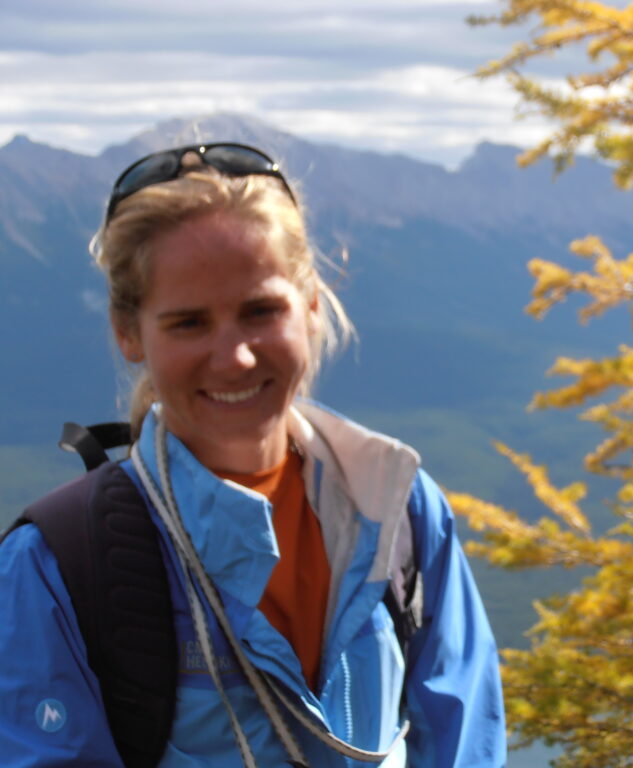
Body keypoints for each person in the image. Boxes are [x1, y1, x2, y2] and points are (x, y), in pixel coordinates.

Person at [0, 143, 507, 767]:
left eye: (260, 310)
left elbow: (464, 745)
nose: (235, 356)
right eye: (188, 323)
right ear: (128, 332)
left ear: (311, 305)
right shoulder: (57, 567)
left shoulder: (399, 510)